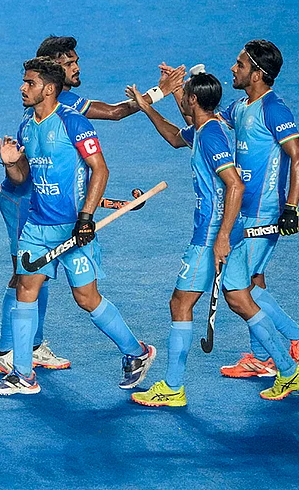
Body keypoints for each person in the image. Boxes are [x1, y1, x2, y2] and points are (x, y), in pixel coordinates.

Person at [0, 36, 186, 375]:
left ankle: (126, 350)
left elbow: (94, 160)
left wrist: (89, 212)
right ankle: (13, 355)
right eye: (69, 64)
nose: (76, 67)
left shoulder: (67, 111)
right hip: (26, 205)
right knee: (26, 280)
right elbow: (115, 113)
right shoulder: (41, 110)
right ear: (53, 71)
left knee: (76, 293)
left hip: (60, 211)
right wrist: (161, 93)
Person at [165, 41, 299, 379]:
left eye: (239, 64)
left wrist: (291, 208)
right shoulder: (240, 108)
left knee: (239, 290)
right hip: (240, 211)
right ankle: (267, 354)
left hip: (263, 212)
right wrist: (180, 91)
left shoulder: (273, 109)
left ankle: (298, 340)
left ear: (257, 73)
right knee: (248, 284)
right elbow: (200, 119)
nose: (233, 69)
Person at [124, 71, 243, 406]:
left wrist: (220, 237)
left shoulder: (211, 137)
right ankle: (289, 366)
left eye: (184, 95)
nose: (183, 99)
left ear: (193, 100)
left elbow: (235, 184)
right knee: (246, 298)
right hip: (217, 231)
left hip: (209, 235)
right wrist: (148, 108)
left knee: (180, 304)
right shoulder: (209, 127)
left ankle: (173, 387)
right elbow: (177, 137)